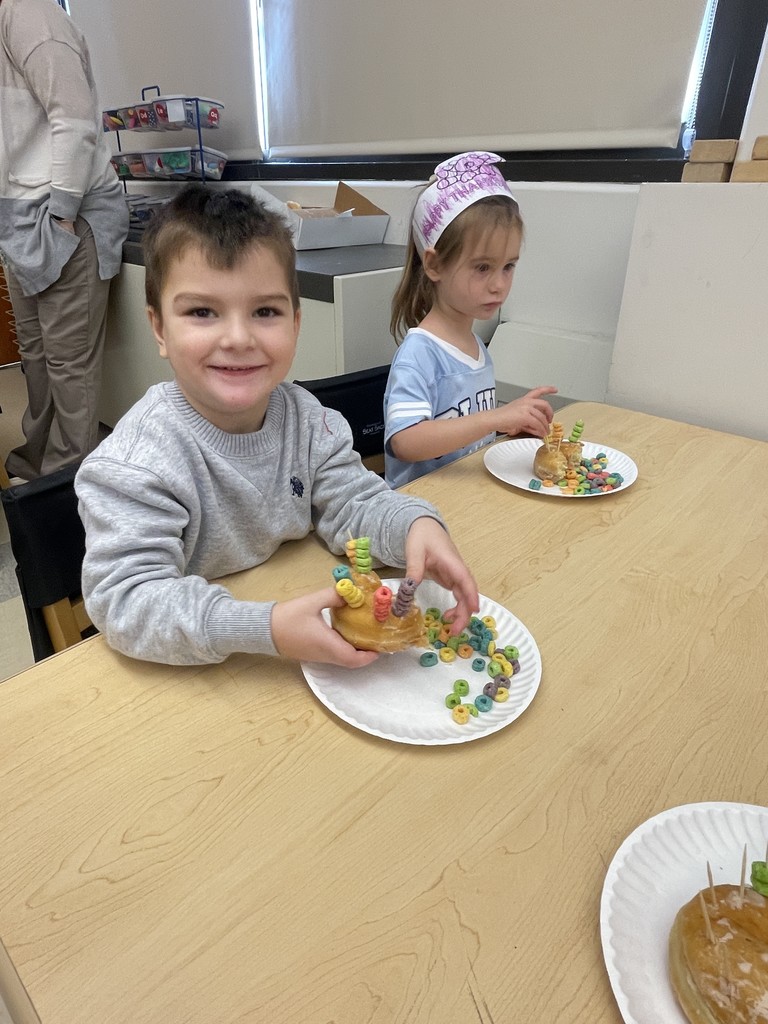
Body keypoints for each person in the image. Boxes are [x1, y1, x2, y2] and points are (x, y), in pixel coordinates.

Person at [75, 185, 479, 668]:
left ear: (295, 323)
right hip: (207, 671)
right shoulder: (135, 464)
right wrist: (261, 627)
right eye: (202, 312)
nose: (238, 338)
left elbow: (354, 503)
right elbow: (126, 601)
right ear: (160, 328)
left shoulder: (309, 420)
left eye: (265, 311)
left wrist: (416, 526)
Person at [0, 0, 129, 481]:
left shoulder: (29, 16)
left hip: (63, 214)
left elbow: (73, 119)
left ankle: (62, 491)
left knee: (68, 367)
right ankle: (34, 467)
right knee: (36, 360)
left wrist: (61, 216)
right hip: (19, 220)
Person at [384, 151, 557, 488]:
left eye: (508, 266)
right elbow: (406, 441)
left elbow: (466, 434)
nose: (499, 284)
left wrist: (506, 425)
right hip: (422, 514)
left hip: (471, 502)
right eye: (482, 268)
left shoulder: (478, 347)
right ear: (434, 266)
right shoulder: (420, 353)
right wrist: (494, 417)